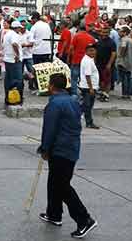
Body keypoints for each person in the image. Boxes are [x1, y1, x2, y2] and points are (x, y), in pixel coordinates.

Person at [38, 73, 98, 239]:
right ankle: (54, 213)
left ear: (51, 86)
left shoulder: (54, 105)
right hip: (71, 148)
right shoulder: (72, 100)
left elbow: (49, 130)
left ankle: (84, 219)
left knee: (61, 186)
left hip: (60, 150)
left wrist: (44, 148)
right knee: (54, 182)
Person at [68, 21, 95, 96]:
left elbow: (71, 48)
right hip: (87, 61)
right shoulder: (91, 38)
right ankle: (85, 92)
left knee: (74, 78)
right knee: (85, 77)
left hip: (76, 60)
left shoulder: (76, 36)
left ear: (79, 28)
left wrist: (69, 58)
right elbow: (94, 51)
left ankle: (74, 93)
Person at [79, 44, 100, 129]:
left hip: (90, 86)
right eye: (90, 50)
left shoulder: (90, 59)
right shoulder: (87, 61)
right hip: (88, 87)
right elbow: (88, 75)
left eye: (93, 50)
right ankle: (89, 122)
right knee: (87, 106)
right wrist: (91, 88)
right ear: (86, 51)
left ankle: (75, 116)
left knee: (86, 105)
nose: (92, 52)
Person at [2, 21, 23, 104]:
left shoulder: (7, 34)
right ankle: (17, 98)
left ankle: (8, 97)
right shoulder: (14, 34)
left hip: (8, 59)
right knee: (18, 80)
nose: (20, 29)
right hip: (14, 60)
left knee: (8, 79)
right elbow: (14, 44)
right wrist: (17, 55)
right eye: (19, 28)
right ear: (17, 28)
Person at [95, 27, 116, 102]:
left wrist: (109, 64)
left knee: (107, 80)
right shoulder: (99, 42)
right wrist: (94, 62)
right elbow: (95, 52)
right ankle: (102, 93)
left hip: (107, 64)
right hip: (99, 64)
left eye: (106, 32)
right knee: (101, 80)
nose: (104, 34)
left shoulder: (112, 42)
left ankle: (106, 95)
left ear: (109, 33)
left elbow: (113, 54)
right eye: (103, 32)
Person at [116, 27, 132, 99]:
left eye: (121, 32)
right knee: (128, 78)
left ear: (125, 33)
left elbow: (123, 47)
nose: (119, 33)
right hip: (130, 61)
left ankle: (124, 94)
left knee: (124, 78)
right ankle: (128, 94)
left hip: (123, 62)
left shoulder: (124, 40)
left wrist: (120, 55)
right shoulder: (131, 40)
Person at [18, 20, 35, 92]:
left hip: (28, 55)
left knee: (31, 71)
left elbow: (31, 44)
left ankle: (31, 86)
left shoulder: (29, 33)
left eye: (24, 26)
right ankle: (20, 86)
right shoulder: (17, 34)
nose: (23, 27)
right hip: (20, 56)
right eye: (21, 26)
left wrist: (24, 45)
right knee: (19, 72)